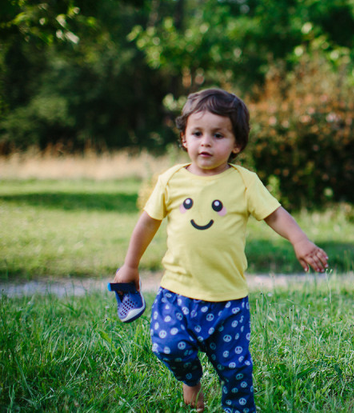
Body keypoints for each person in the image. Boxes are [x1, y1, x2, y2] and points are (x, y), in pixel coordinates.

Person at [112, 88, 328, 413]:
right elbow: (147, 224)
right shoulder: (171, 180)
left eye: (218, 135)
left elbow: (275, 214)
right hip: (176, 294)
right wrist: (130, 266)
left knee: (236, 371)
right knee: (169, 347)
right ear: (184, 138)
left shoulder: (244, 182)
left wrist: (299, 240)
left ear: (236, 144)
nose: (206, 142)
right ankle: (191, 379)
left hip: (229, 303)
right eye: (196, 133)